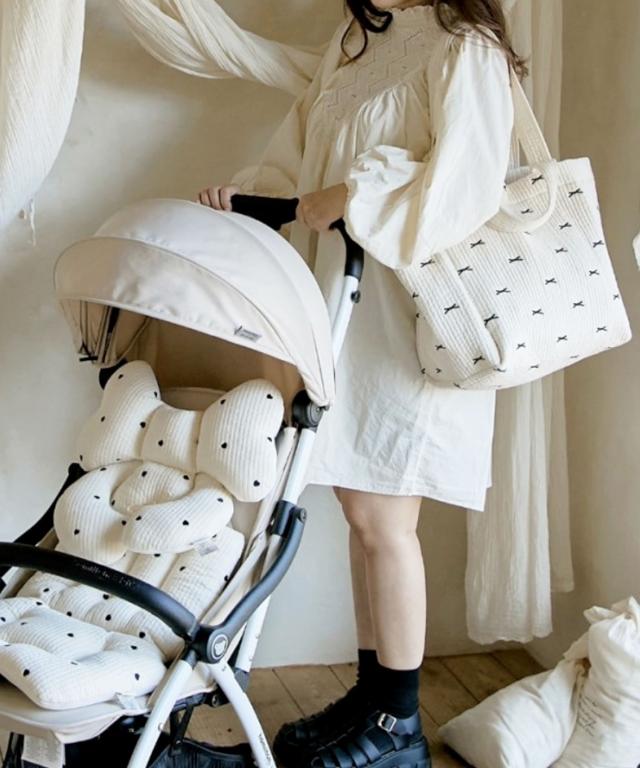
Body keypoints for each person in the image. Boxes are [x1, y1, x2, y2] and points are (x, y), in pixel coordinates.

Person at [120, 0, 525, 765]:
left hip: (412, 322)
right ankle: (375, 698)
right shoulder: (358, 41)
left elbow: (471, 185)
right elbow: (300, 160)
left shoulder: (464, 47)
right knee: (360, 507)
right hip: (343, 309)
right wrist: (248, 196)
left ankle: (397, 726)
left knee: (386, 517)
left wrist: (358, 195)